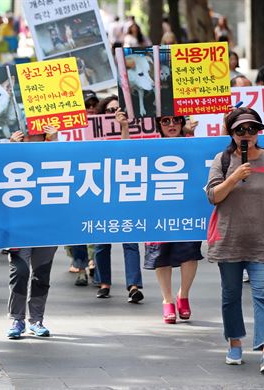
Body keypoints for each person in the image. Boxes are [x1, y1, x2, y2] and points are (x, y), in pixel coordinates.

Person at [205, 107, 264, 375]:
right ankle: (234, 342)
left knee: (263, 294)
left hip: (263, 240)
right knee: (231, 295)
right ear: (231, 133)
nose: (247, 134)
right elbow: (214, 196)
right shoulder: (222, 159)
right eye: (240, 129)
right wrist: (234, 177)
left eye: (252, 129)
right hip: (229, 240)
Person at [143, 114, 203, 323]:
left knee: (190, 252)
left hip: (187, 206)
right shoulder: (149, 145)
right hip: (157, 208)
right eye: (165, 121)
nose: (171, 125)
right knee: (161, 253)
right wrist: (124, 127)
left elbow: (212, 158)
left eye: (175, 120)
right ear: (158, 123)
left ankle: (183, 295)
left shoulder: (193, 142)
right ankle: (167, 299)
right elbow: (128, 155)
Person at [5, 126, 59, 339]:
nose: (29, 136)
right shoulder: (11, 153)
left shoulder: (51, 153)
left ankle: (36, 319)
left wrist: (52, 142)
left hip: (47, 225)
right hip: (18, 226)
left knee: (41, 273)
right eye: (25, 132)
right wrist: (10, 149)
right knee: (19, 271)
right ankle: (16, 319)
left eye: (35, 132)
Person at [92, 96, 144, 302]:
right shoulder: (93, 134)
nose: (114, 112)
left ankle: (133, 285)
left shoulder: (127, 132)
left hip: (124, 194)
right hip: (100, 194)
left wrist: (123, 128)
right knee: (101, 243)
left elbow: (127, 151)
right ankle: (104, 282)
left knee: (130, 243)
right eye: (110, 109)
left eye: (118, 109)